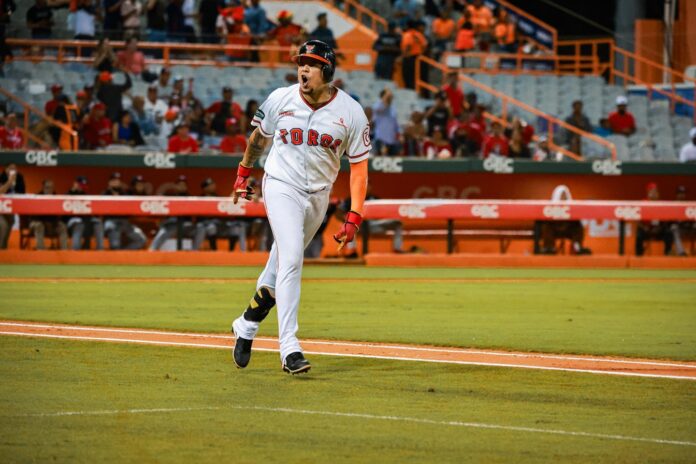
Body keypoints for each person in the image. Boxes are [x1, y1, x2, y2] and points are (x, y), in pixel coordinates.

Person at [229, 40, 370, 374]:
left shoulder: (351, 112)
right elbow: (258, 139)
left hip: (318, 196)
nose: (303, 69)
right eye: (301, 63)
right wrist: (243, 173)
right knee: (292, 258)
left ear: (327, 71)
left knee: (279, 265)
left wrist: (354, 215)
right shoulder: (281, 98)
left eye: (312, 64)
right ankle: (289, 348)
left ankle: (247, 322)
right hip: (281, 185)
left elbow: (359, 169)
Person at [537, 185, 591, 255]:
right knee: (546, 226)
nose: (563, 197)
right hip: (554, 230)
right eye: (561, 195)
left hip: (568, 230)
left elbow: (579, 218)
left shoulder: (572, 206)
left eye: (565, 195)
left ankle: (577, 247)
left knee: (578, 225)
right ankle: (549, 248)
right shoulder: (550, 206)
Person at [102, 172, 147, 250]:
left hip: (124, 222)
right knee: (115, 245)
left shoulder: (124, 193)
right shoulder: (105, 194)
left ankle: (123, 253)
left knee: (141, 240)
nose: (116, 182)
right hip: (111, 221)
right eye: (114, 180)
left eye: (118, 180)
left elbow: (137, 195)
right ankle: (116, 252)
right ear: (109, 182)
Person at [149, 175, 195, 250]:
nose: (182, 187)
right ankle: (152, 250)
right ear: (176, 186)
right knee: (165, 228)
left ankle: (195, 252)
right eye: (179, 185)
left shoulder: (190, 197)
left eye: (184, 185)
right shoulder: (171, 196)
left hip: (186, 225)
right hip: (171, 225)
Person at [66, 175, 104, 250]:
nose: (81, 187)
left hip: (86, 220)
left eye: (83, 185)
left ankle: (100, 250)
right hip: (73, 220)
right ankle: (76, 250)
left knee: (98, 223)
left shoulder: (85, 195)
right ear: (75, 183)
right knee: (79, 224)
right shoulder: (68, 194)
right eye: (80, 185)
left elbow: (91, 210)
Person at [635, 182, 674, 256]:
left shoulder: (661, 204)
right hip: (646, 230)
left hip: (658, 230)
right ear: (648, 193)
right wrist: (644, 227)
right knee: (639, 234)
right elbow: (637, 220)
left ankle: (667, 254)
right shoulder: (643, 203)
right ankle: (638, 256)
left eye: (655, 191)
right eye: (652, 191)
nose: (654, 193)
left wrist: (660, 228)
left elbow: (665, 221)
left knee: (668, 233)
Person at [29, 179, 68, 250]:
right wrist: (45, 222)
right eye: (47, 187)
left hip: (52, 223)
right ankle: (40, 250)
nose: (49, 190)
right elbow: (34, 216)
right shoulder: (36, 198)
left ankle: (64, 251)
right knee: (39, 225)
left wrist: (54, 222)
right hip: (37, 222)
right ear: (43, 188)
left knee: (62, 226)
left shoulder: (56, 198)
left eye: (51, 187)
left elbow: (58, 215)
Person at [0, 163, 25, 249]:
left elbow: (22, 193)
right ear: (6, 169)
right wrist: (9, 182)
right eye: (10, 169)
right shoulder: (1, 177)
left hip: (13, 208)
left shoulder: (19, 177)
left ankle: (3, 248)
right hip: (1, 208)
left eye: (14, 169)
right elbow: (1, 192)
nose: (13, 171)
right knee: (3, 225)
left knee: (11, 223)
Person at [400, 20, 428, 90]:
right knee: (418, 77)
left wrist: (403, 56)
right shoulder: (419, 34)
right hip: (419, 58)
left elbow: (408, 46)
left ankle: (411, 92)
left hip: (409, 58)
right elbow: (425, 45)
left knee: (408, 77)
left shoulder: (408, 34)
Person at [371, 88, 400, 156]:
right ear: (382, 96)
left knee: (393, 160)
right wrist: (386, 97)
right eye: (388, 95)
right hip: (381, 138)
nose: (390, 97)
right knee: (381, 159)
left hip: (392, 139)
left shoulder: (393, 108)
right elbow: (379, 109)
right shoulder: (377, 105)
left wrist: (399, 133)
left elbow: (395, 123)